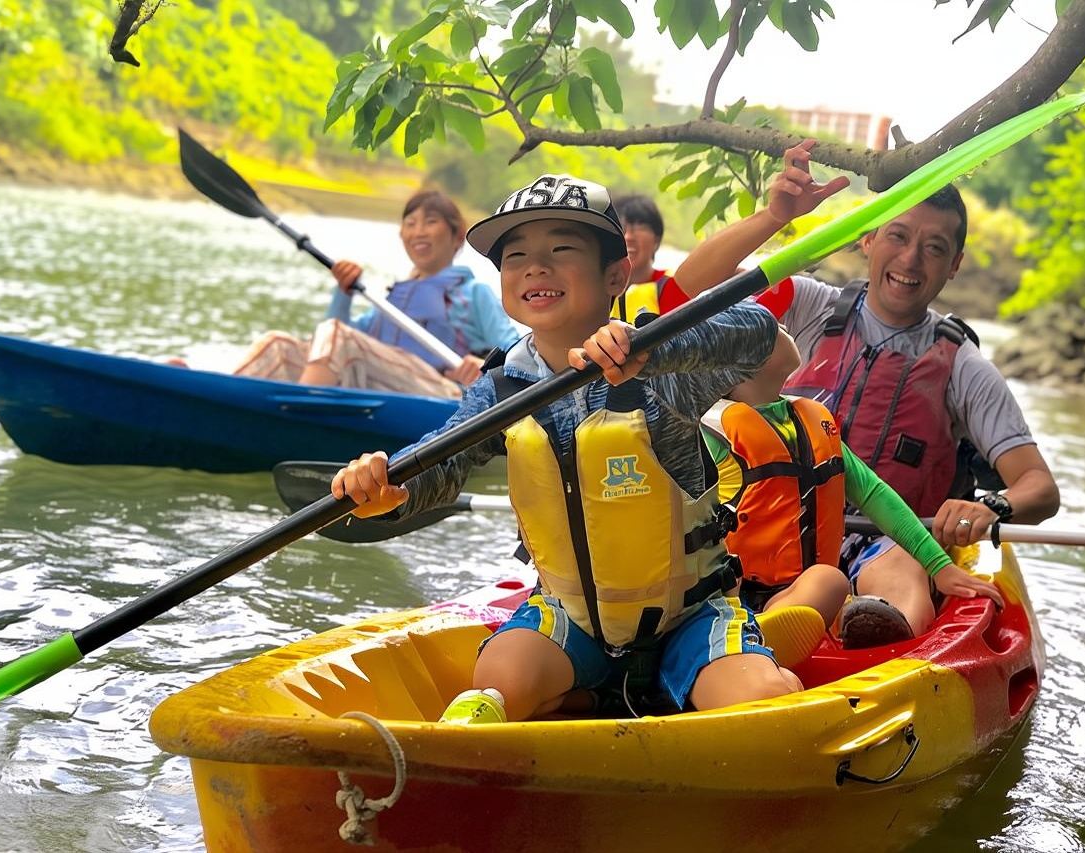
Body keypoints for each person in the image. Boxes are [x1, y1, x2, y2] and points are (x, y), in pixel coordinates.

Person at [332, 172, 824, 724]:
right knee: (498, 681)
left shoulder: (662, 361)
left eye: (560, 250)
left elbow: (758, 332)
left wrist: (653, 349)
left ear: (616, 274)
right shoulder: (504, 386)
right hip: (573, 616)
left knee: (757, 707)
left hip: (689, 615)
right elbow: (441, 464)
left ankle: (752, 666)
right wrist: (388, 484)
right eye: (515, 257)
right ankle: (607, 695)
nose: (535, 267)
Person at [674, 139, 1060, 648]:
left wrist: (994, 506)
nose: (911, 259)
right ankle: (766, 630)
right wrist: (772, 218)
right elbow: (688, 288)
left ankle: (871, 635)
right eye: (897, 236)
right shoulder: (807, 306)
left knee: (900, 564)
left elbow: (1039, 487)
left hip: (888, 538)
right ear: (868, 239)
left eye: (935, 248)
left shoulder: (966, 369)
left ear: (955, 264)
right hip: (772, 535)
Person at [703, 327, 1003, 631]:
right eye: (769, 327)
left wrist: (939, 566)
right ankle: (752, 641)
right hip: (732, 595)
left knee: (829, 581)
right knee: (829, 581)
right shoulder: (710, 436)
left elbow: (875, 495)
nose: (780, 325)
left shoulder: (808, 423)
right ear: (736, 367)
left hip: (799, 595)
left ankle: (772, 635)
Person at [231, 190, 520, 398]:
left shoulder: (473, 293)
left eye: (430, 222)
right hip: (380, 387)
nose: (418, 231)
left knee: (338, 336)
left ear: (457, 236)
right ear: (402, 235)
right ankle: (215, 399)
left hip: (443, 394)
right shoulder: (388, 302)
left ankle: (293, 421)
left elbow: (519, 353)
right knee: (277, 344)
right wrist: (343, 293)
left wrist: (484, 367)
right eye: (410, 223)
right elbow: (328, 342)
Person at [608, 194, 692, 323]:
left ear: (656, 240)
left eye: (639, 227)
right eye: (621, 228)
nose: (628, 237)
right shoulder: (598, 293)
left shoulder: (675, 285)